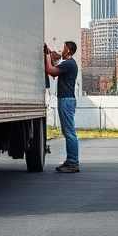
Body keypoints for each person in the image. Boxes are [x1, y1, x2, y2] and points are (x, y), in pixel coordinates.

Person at [44, 41, 79, 173]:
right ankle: (70, 160)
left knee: (69, 133)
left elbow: (50, 71)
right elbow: (54, 70)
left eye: (64, 48)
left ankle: (73, 163)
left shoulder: (69, 63)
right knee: (67, 132)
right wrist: (49, 54)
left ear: (69, 51)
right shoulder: (68, 64)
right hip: (66, 100)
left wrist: (47, 55)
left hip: (66, 101)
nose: (62, 50)